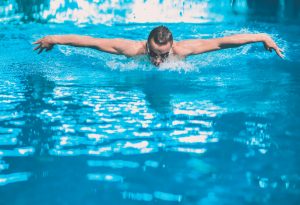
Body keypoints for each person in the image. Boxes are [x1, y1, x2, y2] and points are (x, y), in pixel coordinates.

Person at [33, 25, 283, 66]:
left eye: (163, 56)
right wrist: (54, 38)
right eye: (153, 53)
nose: (156, 61)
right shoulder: (133, 49)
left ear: (172, 46)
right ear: (147, 45)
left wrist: (260, 36)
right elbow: (92, 42)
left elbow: (220, 43)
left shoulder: (184, 50)